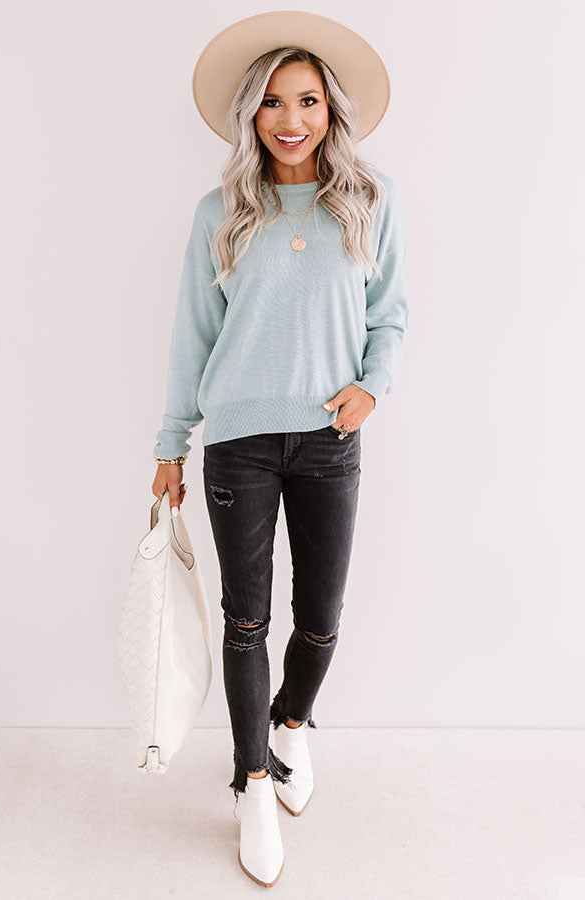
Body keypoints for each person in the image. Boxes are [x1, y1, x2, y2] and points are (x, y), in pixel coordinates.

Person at [151, 11, 409, 889]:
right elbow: (192, 336)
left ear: (331, 110)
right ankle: (252, 781)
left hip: (331, 437)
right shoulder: (220, 212)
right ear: (250, 116)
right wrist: (170, 444)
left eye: (306, 101)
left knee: (323, 615)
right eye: (271, 102)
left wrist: (371, 387)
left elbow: (390, 317)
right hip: (238, 444)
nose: (289, 119)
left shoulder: (370, 202)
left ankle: (291, 725)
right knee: (247, 620)